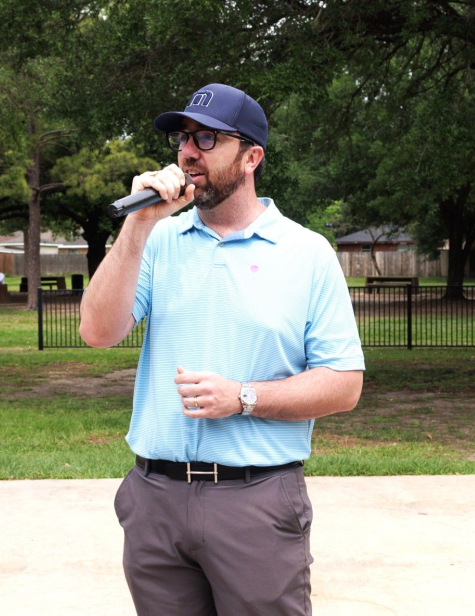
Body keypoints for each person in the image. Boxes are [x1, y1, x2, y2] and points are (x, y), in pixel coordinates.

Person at [79, 83, 364, 615]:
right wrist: (138, 225)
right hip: (155, 499)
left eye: (207, 138)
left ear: (251, 157)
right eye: (183, 138)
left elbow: (344, 384)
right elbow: (97, 331)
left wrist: (243, 397)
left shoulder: (307, 253)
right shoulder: (158, 239)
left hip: (255, 501)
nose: (188, 152)